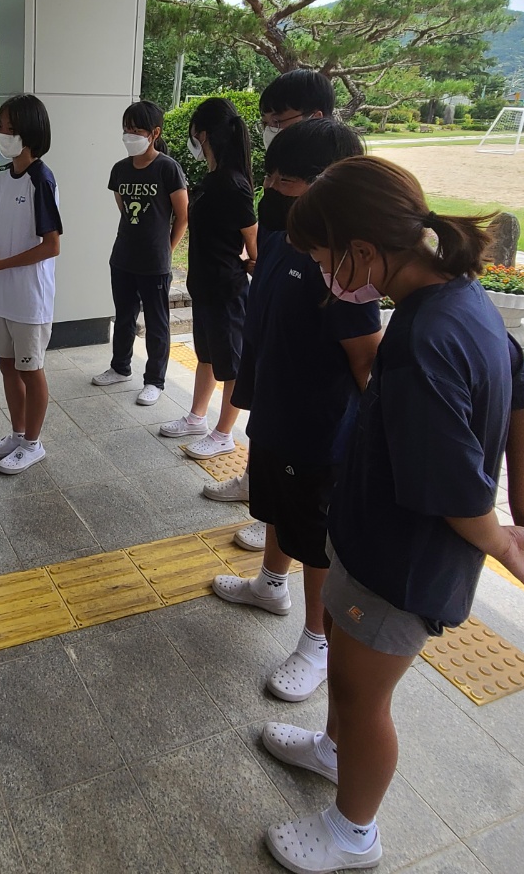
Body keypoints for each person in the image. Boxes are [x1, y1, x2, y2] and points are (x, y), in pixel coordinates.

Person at [259, 156, 524, 873]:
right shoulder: (462, 299)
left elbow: (453, 486)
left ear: (364, 251)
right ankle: (331, 751)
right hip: (375, 540)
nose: (321, 274)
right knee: (348, 673)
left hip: (400, 563)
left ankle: (353, 833)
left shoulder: (418, 342)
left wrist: (501, 537)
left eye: (321, 258)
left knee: (362, 695)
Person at [211, 120, 380, 706]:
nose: (274, 188)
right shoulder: (283, 245)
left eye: (287, 178)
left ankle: (317, 641)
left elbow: (366, 364)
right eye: (274, 175)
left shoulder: (343, 270)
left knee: (315, 537)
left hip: (320, 433)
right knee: (276, 510)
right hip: (276, 417)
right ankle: (269, 584)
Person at [205, 70, 337, 508]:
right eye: (266, 120)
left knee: (290, 424)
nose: (269, 130)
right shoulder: (280, 185)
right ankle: (255, 479)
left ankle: (278, 509)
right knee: (262, 401)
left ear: (315, 116)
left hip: (303, 331)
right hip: (268, 305)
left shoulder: (335, 198)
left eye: (278, 120)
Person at [0, 95, 63, 475]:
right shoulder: (1, 177)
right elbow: (0, 226)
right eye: (0, 124)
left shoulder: (42, 179)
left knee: (30, 369)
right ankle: (18, 433)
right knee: (6, 365)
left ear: (29, 131)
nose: (0, 131)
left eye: (7, 125)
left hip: (29, 297)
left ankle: (33, 443)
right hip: (0, 294)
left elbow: (51, 245)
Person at [159, 98, 258, 459]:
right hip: (204, 286)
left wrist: (251, 262)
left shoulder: (233, 184)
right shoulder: (212, 180)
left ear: (202, 134)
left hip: (227, 289)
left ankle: (224, 433)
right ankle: (197, 417)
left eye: (193, 134)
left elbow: (253, 239)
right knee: (206, 356)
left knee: (231, 363)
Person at [91, 101, 188, 406]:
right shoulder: (120, 169)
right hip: (122, 258)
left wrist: (166, 250)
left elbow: (181, 216)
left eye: (137, 130)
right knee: (124, 317)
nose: (129, 135)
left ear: (154, 133)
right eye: (126, 129)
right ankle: (120, 367)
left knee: (157, 324)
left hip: (154, 262)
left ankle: (155, 381)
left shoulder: (168, 168)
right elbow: (123, 208)